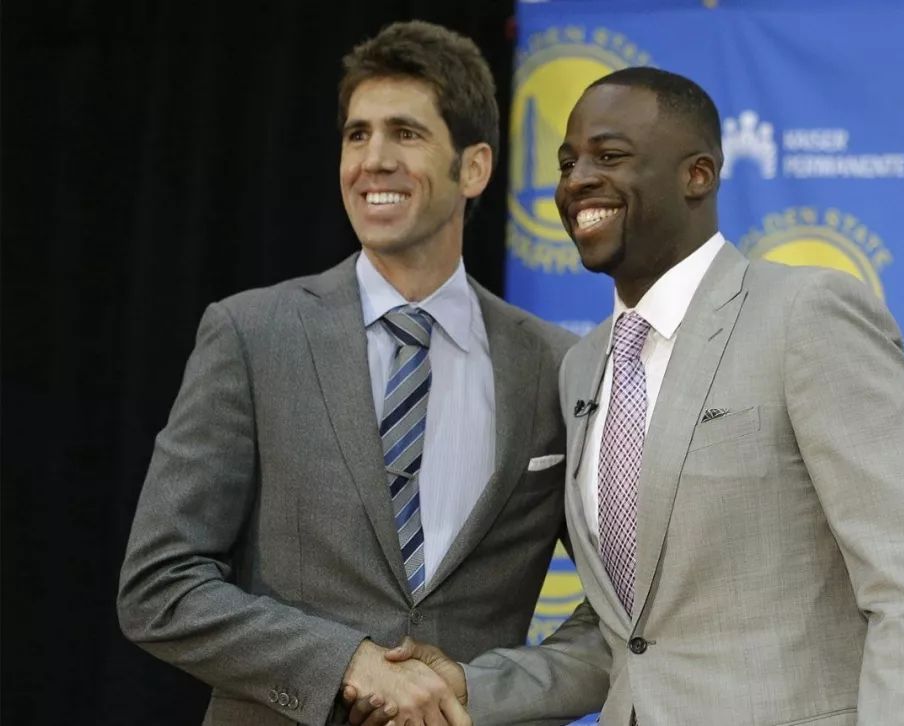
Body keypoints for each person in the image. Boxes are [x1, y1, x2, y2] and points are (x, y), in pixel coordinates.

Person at [372, 67, 904, 725]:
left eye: (609, 156)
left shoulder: (805, 314)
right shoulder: (582, 368)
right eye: (568, 163)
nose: (577, 181)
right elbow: (634, 634)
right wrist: (471, 687)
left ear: (698, 175)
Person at [116, 20, 575, 726]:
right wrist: (346, 663)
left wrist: (482, 689)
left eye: (406, 134)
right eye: (357, 135)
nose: (373, 160)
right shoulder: (252, 334)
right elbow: (158, 586)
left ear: (475, 168)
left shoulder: (554, 365)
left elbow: (623, 609)